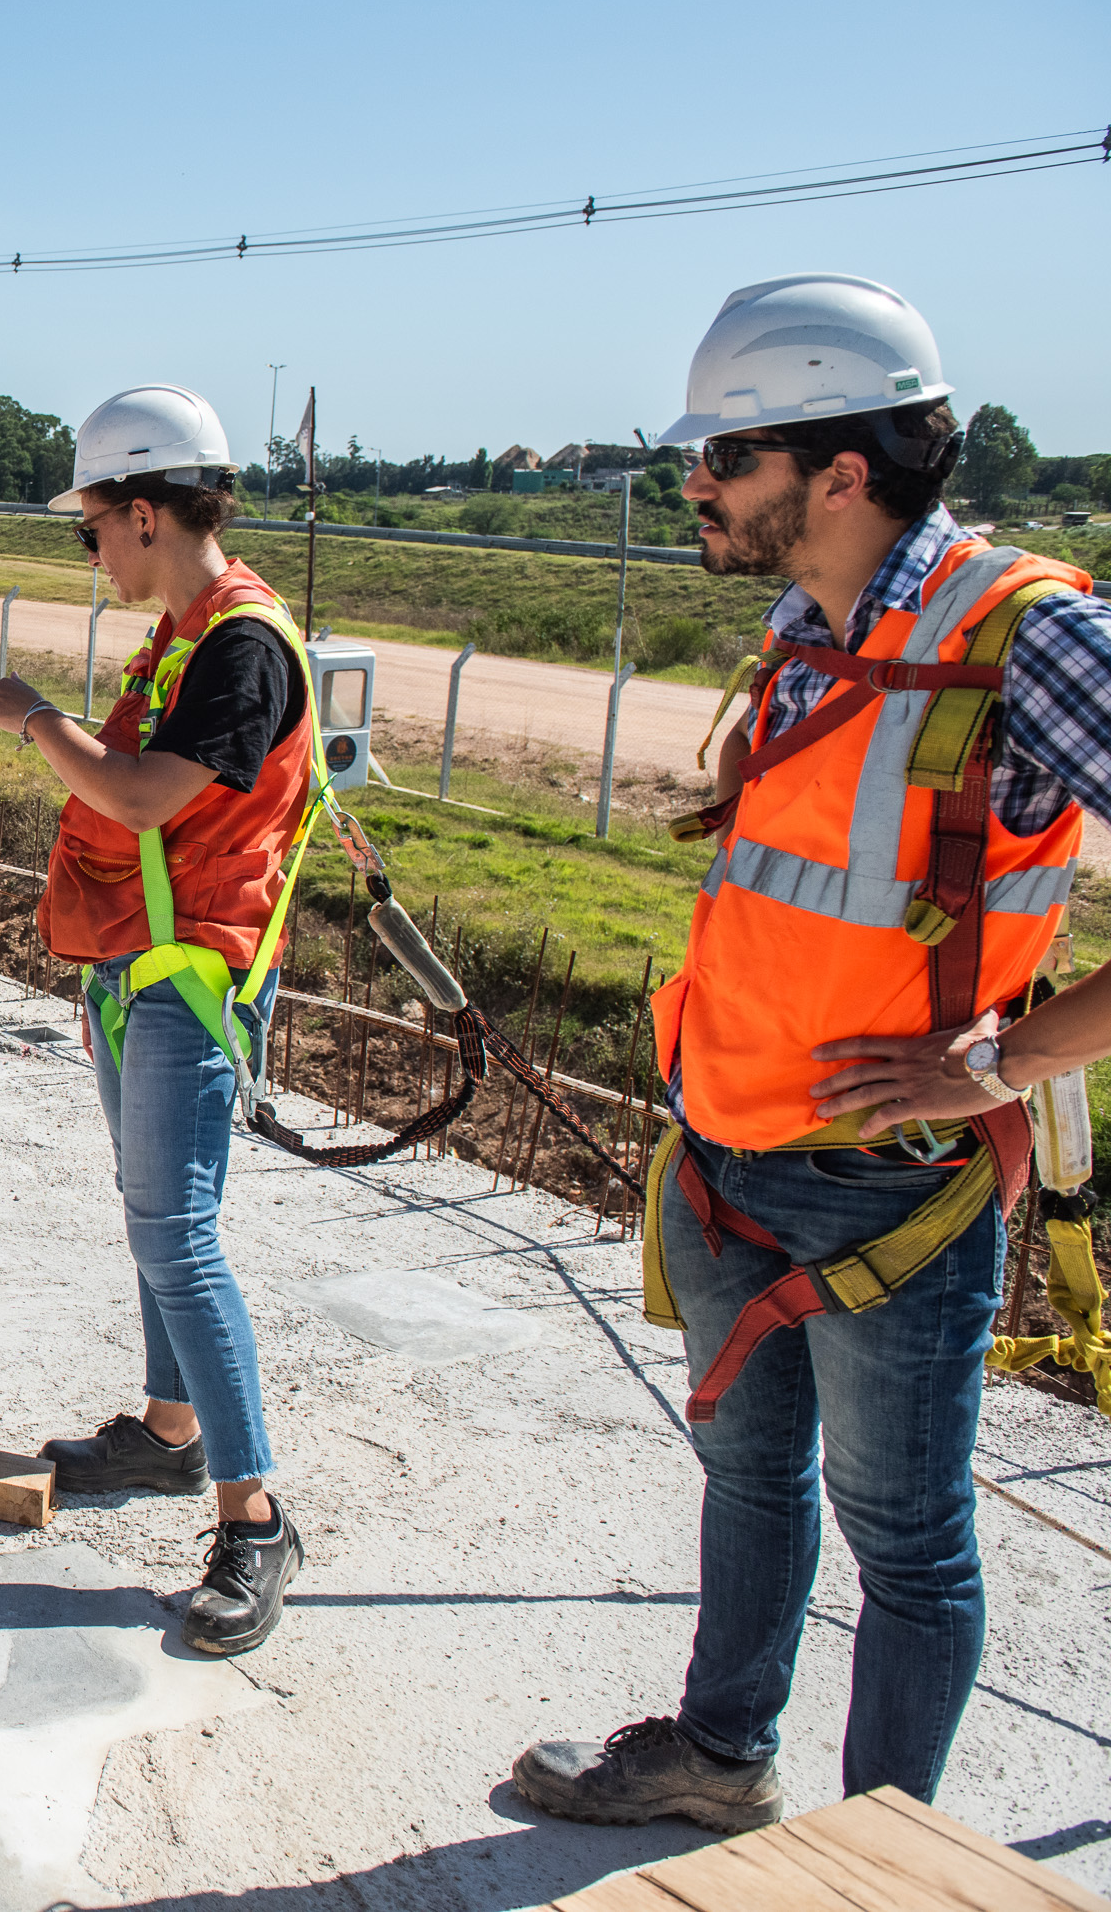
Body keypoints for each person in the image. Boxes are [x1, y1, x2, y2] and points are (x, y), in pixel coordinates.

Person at [515, 275, 1111, 1829]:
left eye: (726, 458)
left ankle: (874, 1853)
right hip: (730, 1154)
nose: (694, 483)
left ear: (839, 472)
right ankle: (724, 1754)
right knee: (750, 1480)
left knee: (906, 1537)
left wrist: (1002, 1064)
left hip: (886, 1189)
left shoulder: (1026, 638)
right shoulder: (811, 629)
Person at [0, 384, 316, 1657]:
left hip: (192, 975)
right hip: (145, 969)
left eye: (91, 525)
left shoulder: (241, 647)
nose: (88, 549)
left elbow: (152, 797)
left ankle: (254, 1514)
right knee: (153, 1217)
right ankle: (171, 1436)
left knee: (178, 1233)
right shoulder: (188, 630)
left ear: (148, 512)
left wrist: (35, 717)